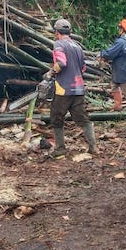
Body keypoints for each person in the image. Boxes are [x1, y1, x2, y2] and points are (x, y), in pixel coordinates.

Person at [46, 18, 96, 158]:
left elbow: (61, 63)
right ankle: (93, 147)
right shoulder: (77, 46)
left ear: (56, 32)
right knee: (82, 118)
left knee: (56, 117)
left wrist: (50, 73)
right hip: (79, 88)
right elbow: (83, 68)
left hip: (64, 89)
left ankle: (60, 148)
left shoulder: (59, 45)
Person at [99, 18, 126, 111]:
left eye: (120, 28)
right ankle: (118, 106)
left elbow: (110, 53)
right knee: (115, 86)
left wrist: (102, 54)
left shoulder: (121, 42)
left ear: (122, 29)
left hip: (122, 72)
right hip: (123, 71)